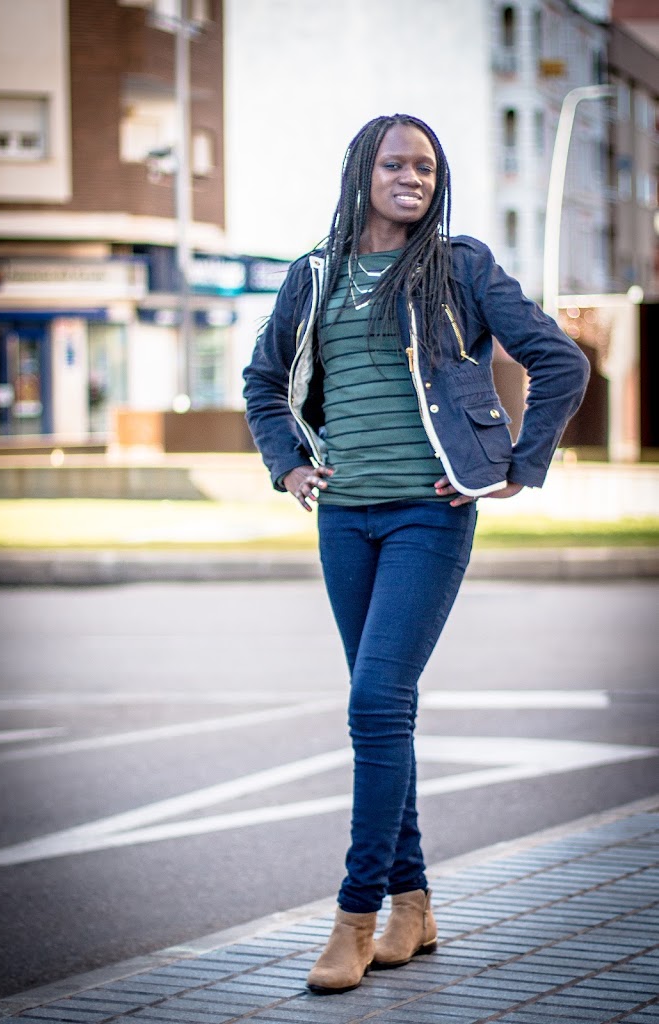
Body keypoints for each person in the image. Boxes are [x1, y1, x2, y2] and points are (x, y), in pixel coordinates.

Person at [243, 113, 589, 996]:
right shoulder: (313, 275)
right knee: (383, 713)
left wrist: (516, 466)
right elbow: (262, 382)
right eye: (396, 163)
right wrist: (288, 464)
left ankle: (353, 917)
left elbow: (559, 362)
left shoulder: (458, 267)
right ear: (361, 170)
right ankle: (413, 904)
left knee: (373, 702)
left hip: (427, 517)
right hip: (342, 519)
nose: (413, 178)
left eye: (426, 168)